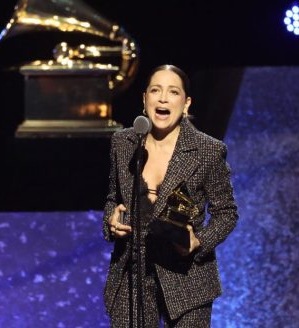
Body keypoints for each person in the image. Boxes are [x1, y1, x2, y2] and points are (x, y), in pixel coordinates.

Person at [102, 64, 238, 327]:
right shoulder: (123, 143)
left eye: (173, 92)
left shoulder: (208, 150)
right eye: (156, 90)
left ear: (185, 104)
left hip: (186, 277)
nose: (163, 98)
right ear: (145, 100)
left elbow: (227, 213)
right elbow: (112, 198)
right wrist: (112, 220)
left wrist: (198, 241)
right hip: (132, 274)